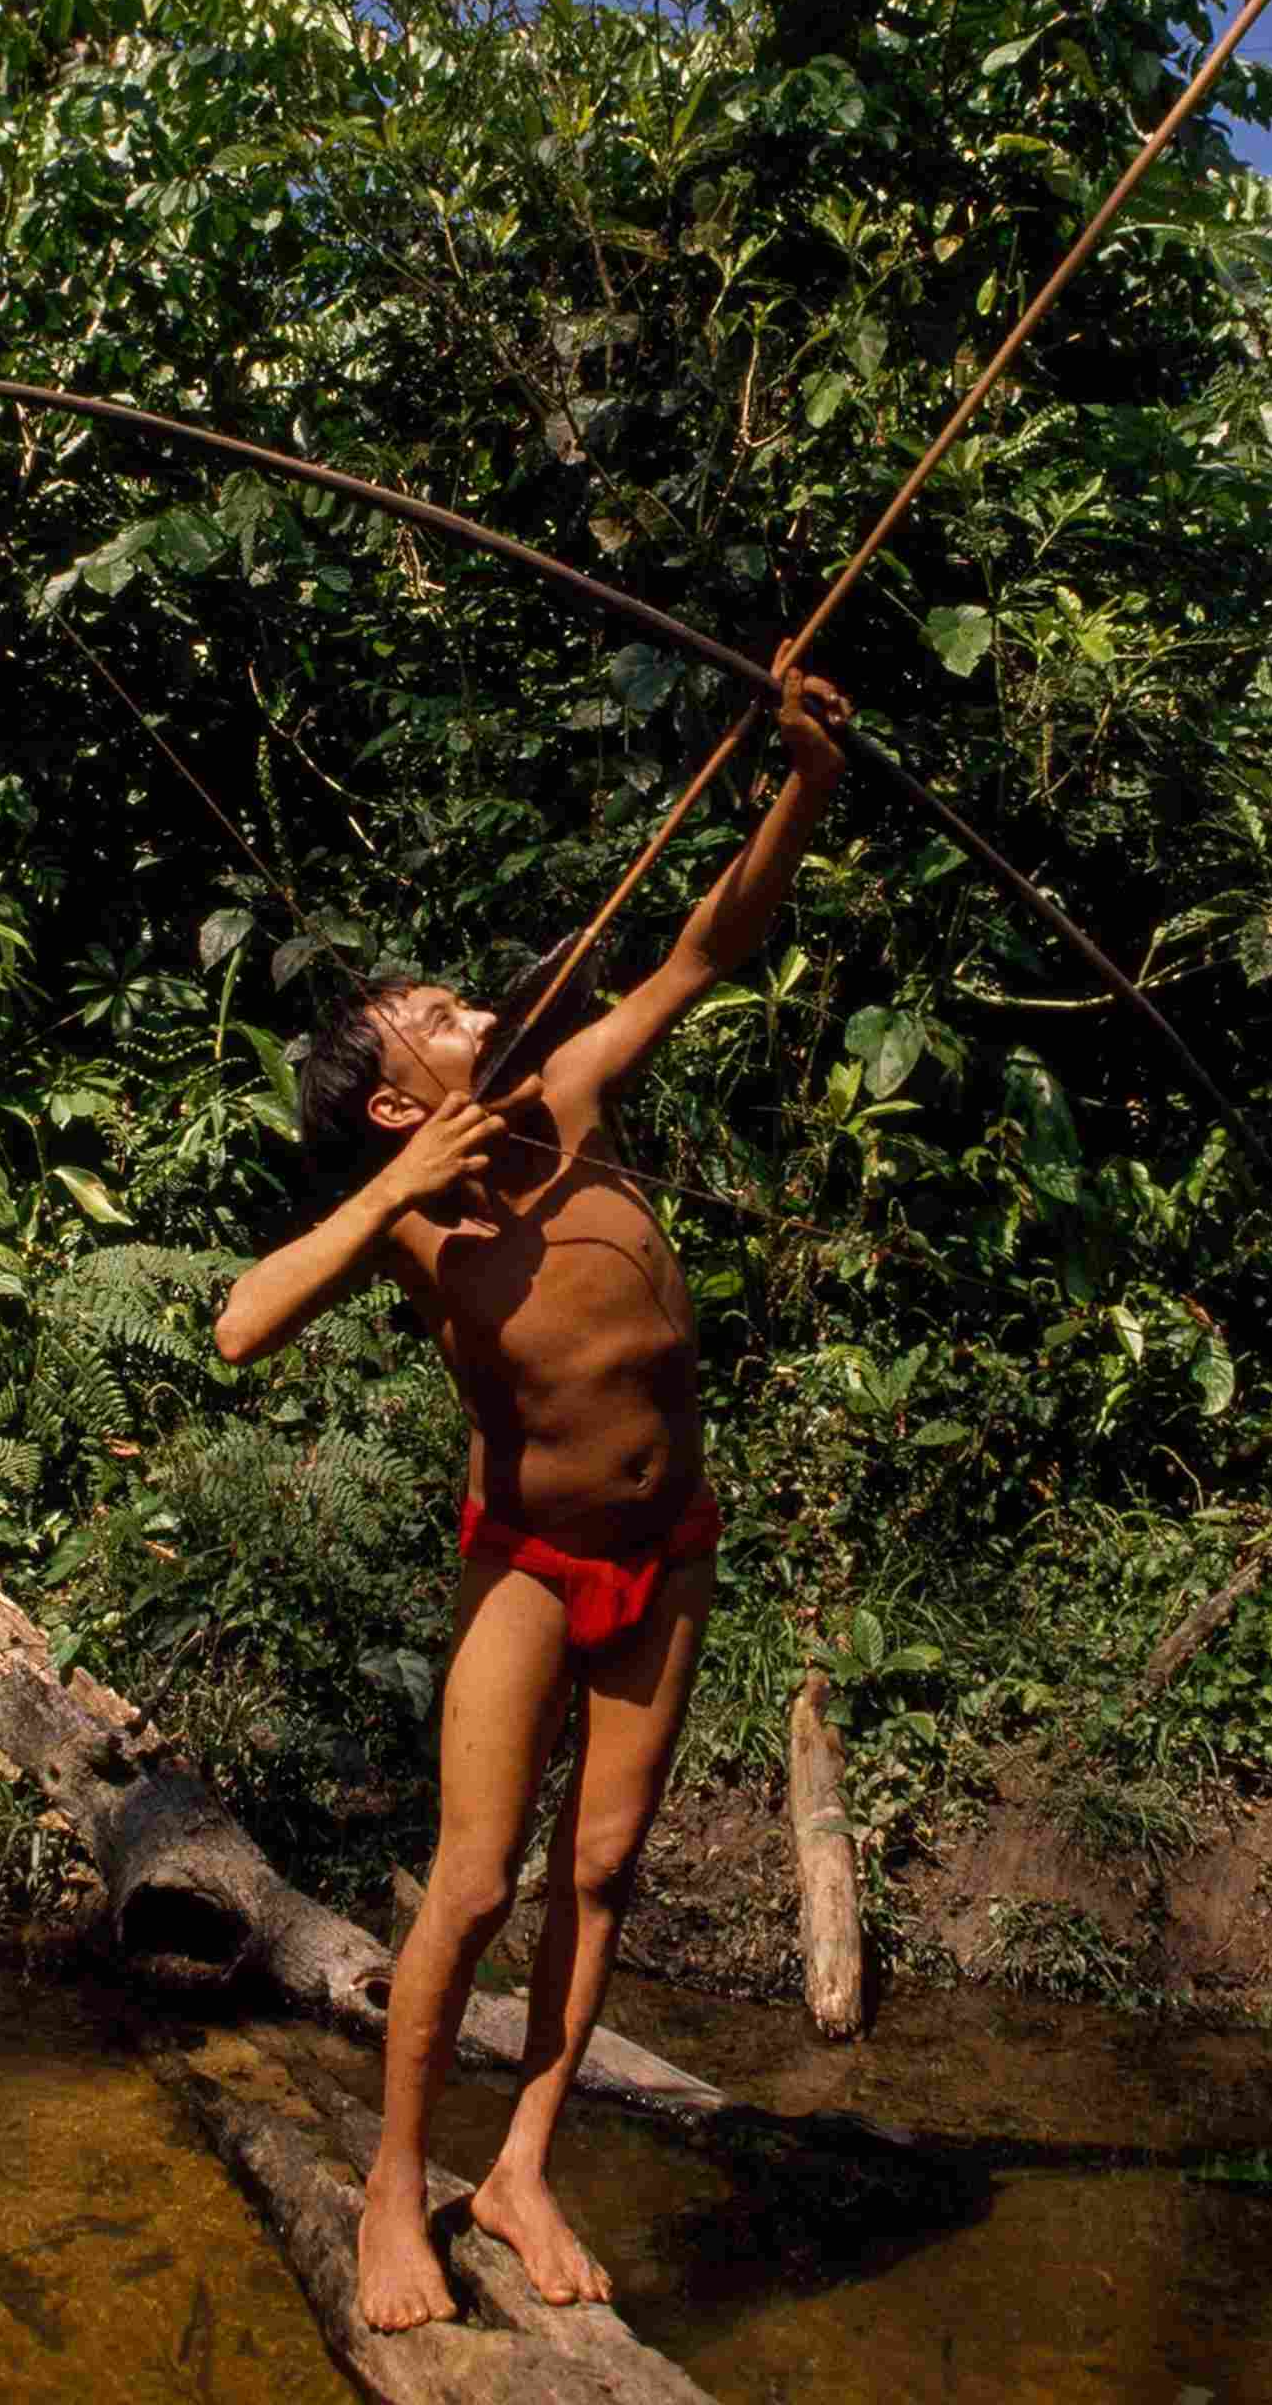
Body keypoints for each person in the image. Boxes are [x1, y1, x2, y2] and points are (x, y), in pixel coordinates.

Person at [214, 668, 851, 2332]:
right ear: (394, 1099)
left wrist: (802, 780)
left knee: (607, 1866)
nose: (478, 1013)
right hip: (527, 1563)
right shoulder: (408, 1219)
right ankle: (389, 2195)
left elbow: (707, 945)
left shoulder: (572, 1099)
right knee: (480, 1879)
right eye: (438, 1018)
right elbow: (238, 1329)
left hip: (675, 1547)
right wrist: (395, 1195)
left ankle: (522, 2165)